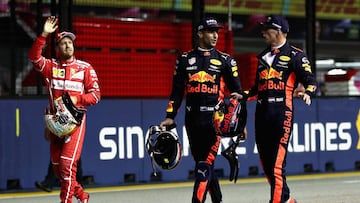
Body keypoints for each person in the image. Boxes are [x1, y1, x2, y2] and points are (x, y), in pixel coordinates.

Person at [160, 17, 245, 203]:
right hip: (191, 119)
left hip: (215, 120)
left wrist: (241, 122)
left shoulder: (226, 61)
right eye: (210, 31)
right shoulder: (184, 59)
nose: (215, 35)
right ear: (200, 33)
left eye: (217, 32)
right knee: (203, 164)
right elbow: (176, 92)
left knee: (205, 164)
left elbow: (237, 94)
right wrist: (169, 116)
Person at [245, 15, 317, 203]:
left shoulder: (296, 55)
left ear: (277, 31)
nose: (262, 32)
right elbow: (256, 89)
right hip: (261, 115)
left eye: (266, 29)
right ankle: (288, 200)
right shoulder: (261, 57)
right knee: (266, 164)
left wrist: (308, 92)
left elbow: (311, 80)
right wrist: (241, 95)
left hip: (281, 114)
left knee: (277, 167)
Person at [28, 16, 101, 203]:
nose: (68, 45)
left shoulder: (85, 68)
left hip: (75, 125)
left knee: (67, 165)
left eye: (70, 42)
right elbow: (34, 57)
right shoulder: (50, 67)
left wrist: (78, 98)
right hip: (55, 126)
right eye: (63, 43)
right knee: (58, 168)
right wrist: (44, 34)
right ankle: (82, 196)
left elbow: (96, 95)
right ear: (58, 48)